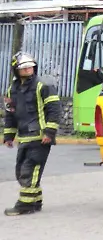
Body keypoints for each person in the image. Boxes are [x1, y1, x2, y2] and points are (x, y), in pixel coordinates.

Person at [4, 52, 60, 216]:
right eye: (24, 67)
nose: (28, 69)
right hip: (24, 137)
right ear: (16, 70)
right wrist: (9, 136)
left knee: (30, 169)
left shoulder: (43, 85)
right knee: (21, 170)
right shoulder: (11, 90)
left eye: (30, 66)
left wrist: (49, 132)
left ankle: (24, 205)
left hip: (40, 138)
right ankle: (35, 200)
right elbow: (10, 114)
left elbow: (54, 110)